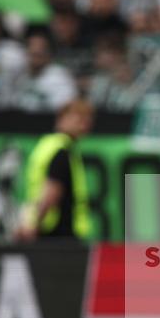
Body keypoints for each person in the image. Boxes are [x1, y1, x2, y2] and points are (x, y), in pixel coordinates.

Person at [19, 99, 93, 242]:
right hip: (58, 235)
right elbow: (51, 191)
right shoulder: (62, 151)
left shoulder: (47, 145)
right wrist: (33, 225)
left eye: (88, 119)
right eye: (79, 118)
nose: (84, 123)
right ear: (61, 118)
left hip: (47, 230)